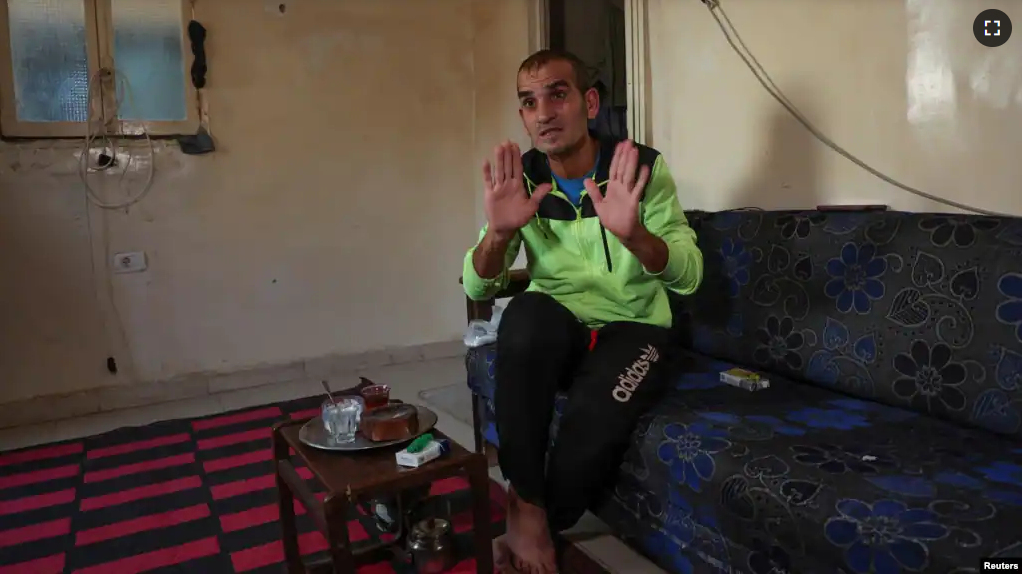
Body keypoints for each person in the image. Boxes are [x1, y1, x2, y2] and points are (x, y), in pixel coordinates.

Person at [461, 49, 704, 573]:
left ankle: (534, 521)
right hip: (559, 324)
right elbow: (479, 281)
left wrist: (636, 235)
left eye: (558, 94)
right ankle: (526, 508)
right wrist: (500, 235)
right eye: (529, 102)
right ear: (523, 117)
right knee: (523, 319)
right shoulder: (523, 180)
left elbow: (689, 273)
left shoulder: (638, 168)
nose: (544, 112)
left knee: (593, 421)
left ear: (589, 102)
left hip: (635, 327)